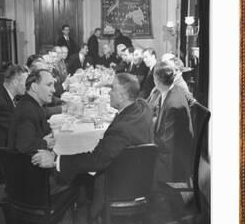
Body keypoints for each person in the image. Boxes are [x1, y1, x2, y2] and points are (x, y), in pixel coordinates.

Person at [31, 73, 154, 215]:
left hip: (121, 183)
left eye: (112, 89)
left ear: (122, 96)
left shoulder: (121, 130)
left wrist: (55, 160)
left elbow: (96, 160)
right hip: (142, 177)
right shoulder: (143, 107)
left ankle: (80, 202)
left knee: (79, 168)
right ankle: (81, 195)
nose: (109, 93)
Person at [152, 61, 194, 184]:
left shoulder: (173, 106)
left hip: (172, 164)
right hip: (174, 151)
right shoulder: (176, 89)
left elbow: (166, 145)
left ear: (156, 80)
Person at [7, 68, 55, 154]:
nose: (53, 90)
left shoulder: (32, 104)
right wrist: (45, 142)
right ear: (34, 87)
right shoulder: (27, 110)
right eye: (49, 85)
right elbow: (24, 146)